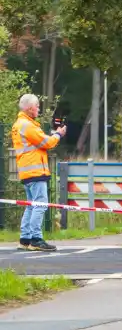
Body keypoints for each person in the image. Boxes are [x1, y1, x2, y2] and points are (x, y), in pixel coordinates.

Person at [11, 94, 64, 251]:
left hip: (27, 171)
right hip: (35, 171)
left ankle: (25, 239)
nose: (38, 108)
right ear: (29, 108)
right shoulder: (27, 125)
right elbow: (46, 143)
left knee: (31, 205)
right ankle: (36, 239)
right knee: (40, 204)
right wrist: (58, 134)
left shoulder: (19, 124)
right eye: (37, 106)